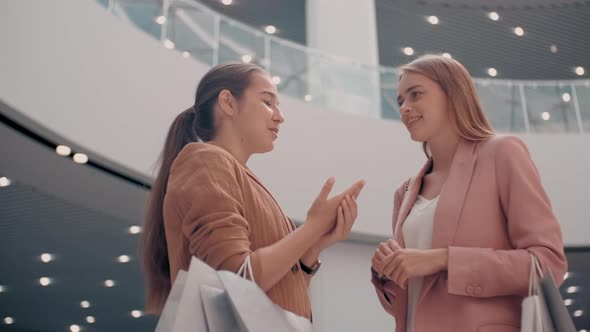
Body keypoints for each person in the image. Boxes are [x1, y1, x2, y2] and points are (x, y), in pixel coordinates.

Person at [141, 62, 365, 321]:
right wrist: (312, 227)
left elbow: (277, 295)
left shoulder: (239, 176)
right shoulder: (204, 160)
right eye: (268, 102)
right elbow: (236, 279)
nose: (280, 116)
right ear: (228, 102)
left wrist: (313, 248)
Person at [371, 54, 567, 332]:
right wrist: (386, 271)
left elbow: (546, 265)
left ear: (453, 94)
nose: (404, 108)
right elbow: (413, 301)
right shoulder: (404, 192)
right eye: (401, 100)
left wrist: (443, 259)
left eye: (416, 95)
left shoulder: (503, 154)